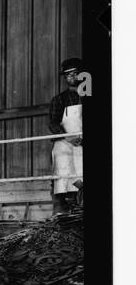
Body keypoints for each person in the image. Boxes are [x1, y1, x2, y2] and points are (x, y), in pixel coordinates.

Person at [48, 57, 84, 212]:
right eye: (68, 74)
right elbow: (53, 124)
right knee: (65, 179)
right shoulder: (59, 99)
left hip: (82, 145)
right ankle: (64, 212)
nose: (72, 77)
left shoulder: (88, 96)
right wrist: (69, 137)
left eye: (75, 73)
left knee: (82, 179)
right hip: (65, 145)